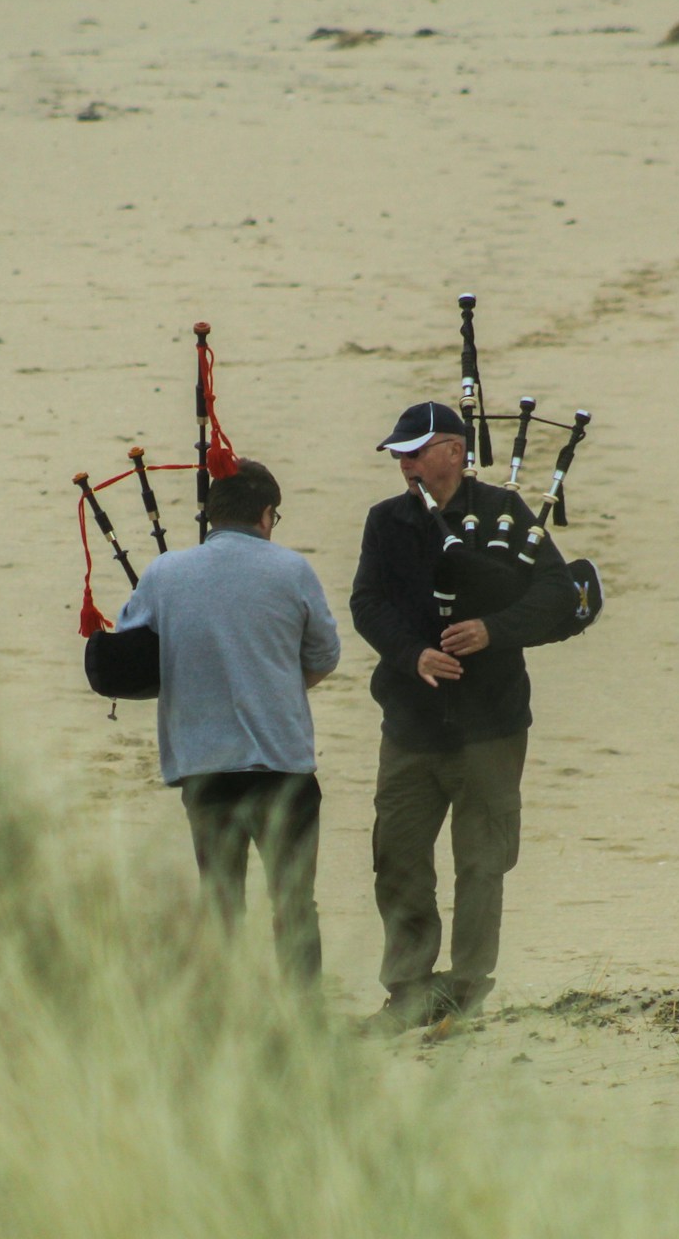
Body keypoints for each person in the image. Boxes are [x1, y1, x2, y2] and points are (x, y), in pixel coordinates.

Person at [349, 401, 576, 1033]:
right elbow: (367, 602)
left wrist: (493, 631)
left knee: (481, 859)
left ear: (455, 450)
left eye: (417, 452)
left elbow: (559, 594)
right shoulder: (386, 522)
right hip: (411, 724)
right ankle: (408, 989)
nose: (407, 465)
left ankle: (468, 987)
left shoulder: (506, 515)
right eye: (400, 456)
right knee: (397, 857)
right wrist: (412, 653)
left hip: (491, 724)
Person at [116, 458, 341, 986]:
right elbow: (325, 655)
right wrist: (277, 682)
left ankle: (223, 1024)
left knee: (219, 902)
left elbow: (129, 652)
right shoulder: (292, 570)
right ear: (266, 515)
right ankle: (303, 1019)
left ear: (211, 515)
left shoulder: (164, 572)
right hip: (282, 765)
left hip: (204, 766)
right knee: (293, 904)